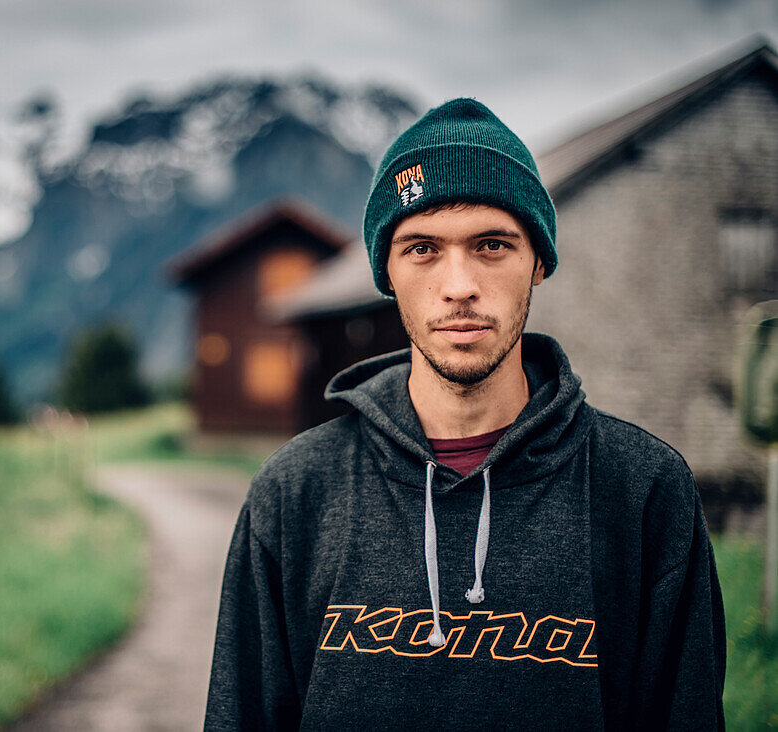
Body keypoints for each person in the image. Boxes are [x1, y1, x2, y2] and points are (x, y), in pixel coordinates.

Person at [204, 98, 725, 731]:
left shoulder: (642, 490)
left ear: (538, 262)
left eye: (492, 245)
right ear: (387, 273)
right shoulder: (294, 493)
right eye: (422, 248)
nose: (459, 284)